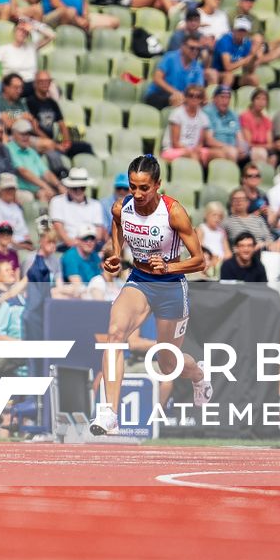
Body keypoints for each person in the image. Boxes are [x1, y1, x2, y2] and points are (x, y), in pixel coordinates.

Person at [89, 156, 211, 436]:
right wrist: (116, 256)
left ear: (158, 184)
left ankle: (199, 374)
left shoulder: (174, 212)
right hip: (140, 279)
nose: (138, 194)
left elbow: (200, 261)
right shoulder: (122, 208)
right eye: (133, 187)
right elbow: (117, 227)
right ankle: (109, 413)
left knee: (168, 362)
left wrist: (170, 266)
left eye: (145, 187)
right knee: (115, 333)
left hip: (171, 286)